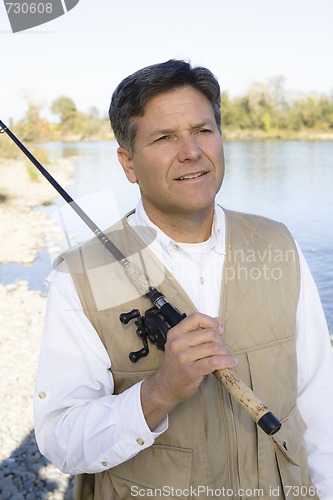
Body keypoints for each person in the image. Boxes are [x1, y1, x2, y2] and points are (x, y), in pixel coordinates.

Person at [34, 59, 333, 499]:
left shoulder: (276, 242)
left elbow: (318, 399)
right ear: (128, 162)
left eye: (204, 130)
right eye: (164, 137)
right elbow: (61, 440)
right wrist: (157, 393)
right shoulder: (84, 274)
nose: (192, 151)